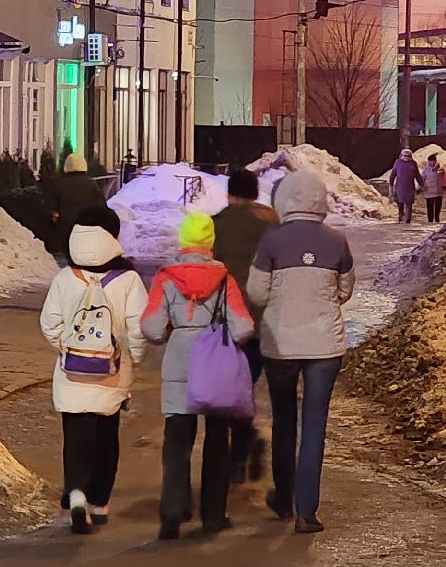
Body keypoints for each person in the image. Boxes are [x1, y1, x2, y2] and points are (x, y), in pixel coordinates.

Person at [247, 170, 353, 534]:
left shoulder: (271, 240)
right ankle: (306, 510)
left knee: (284, 419)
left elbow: (257, 292)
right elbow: (345, 290)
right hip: (325, 345)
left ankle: (283, 496)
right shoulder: (337, 241)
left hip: (280, 344)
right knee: (314, 425)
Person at [141, 212, 255, 540]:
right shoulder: (224, 279)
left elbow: (150, 326)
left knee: (177, 440)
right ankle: (214, 514)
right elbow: (244, 326)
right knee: (217, 440)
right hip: (215, 367)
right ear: (210, 243)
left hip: (178, 364)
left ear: (183, 241)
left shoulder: (166, 278)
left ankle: (173, 511)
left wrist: (170, 333)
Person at [40, 206, 148, 534]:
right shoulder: (128, 279)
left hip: (72, 374)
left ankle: (75, 494)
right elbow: (137, 328)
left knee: (75, 437)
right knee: (105, 437)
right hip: (111, 375)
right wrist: (135, 357)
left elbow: (49, 323)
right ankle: (99, 502)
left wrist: (68, 349)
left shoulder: (65, 277)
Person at [212, 168, 278, 482]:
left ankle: (241, 448)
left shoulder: (218, 224)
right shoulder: (272, 223)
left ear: (231, 193)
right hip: (261, 319)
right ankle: (242, 447)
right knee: (245, 386)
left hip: (225, 321)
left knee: (224, 389)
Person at [52, 152, 105, 257]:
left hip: (65, 229)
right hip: (86, 229)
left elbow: (52, 206)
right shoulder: (92, 185)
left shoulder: (59, 185)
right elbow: (102, 206)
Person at [389, 149, 421, 225]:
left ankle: (408, 219)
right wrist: (391, 183)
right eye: (405, 156)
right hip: (400, 186)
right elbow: (393, 174)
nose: (406, 157)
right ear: (401, 156)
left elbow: (417, 174)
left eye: (408, 156)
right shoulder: (398, 163)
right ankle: (401, 216)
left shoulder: (413, 163)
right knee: (400, 202)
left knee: (409, 203)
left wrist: (421, 184)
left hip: (410, 186)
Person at [421, 153, 446, 224]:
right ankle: (430, 220)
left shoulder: (440, 169)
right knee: (430, 206)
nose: (431, 162)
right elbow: (422, 178)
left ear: (435, 161)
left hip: (438, 190)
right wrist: (420, 187)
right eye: (430, 161)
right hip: (429, 190)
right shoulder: (426, 169)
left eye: (433, 161)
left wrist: (445, 186)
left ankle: (437, 219)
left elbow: (444, 178)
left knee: (438, 205)